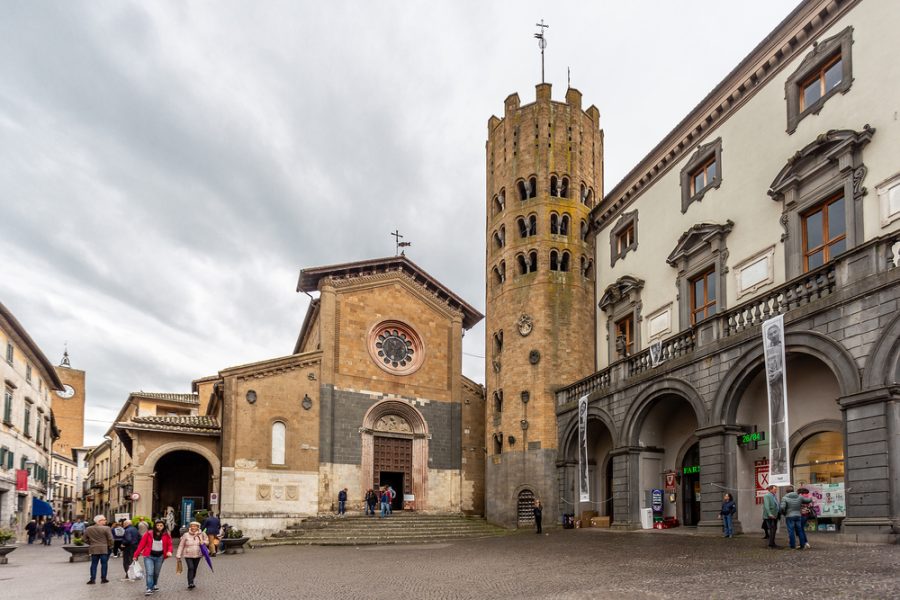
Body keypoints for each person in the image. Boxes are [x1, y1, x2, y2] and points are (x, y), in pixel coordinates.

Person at [134, 519, 173, 596]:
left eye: (161, 525)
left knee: (156, 573)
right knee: (150, 572)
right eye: (157, 525)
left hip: (160, 557)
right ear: (155, 526)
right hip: (149, 556)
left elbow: (170, 545)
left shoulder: (166, 535)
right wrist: (135, 555)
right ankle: (149, 588)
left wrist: (169, 551)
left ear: (163, 526)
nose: (159, 527)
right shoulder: (149, 534)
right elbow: (141, 545)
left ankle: (154, 584)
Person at [175, 521, 208, 590]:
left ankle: (191, 580)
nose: (193, 527)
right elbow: (181, 545)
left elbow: (207, 542)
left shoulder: (202, 534)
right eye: (192, 526)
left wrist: (203, 542)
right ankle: (190, 583)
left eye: (195, 526)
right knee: (191, 568)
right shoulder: (186, 535)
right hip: (188, 554)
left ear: (198, 527)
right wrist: (178, 554)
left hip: (198, 554)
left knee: (194, 569)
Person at [781, 485, 812, 550]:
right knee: (800, 530)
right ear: (793, 490)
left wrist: (784, 513)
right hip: (798, 516)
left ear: (787, 491)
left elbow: (782, 507)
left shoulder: (784, 498)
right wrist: (810, 497)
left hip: (789, 516)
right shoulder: (799, 497)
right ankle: (802, 545)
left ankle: (793, 546)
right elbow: (808, 500)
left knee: (791, 531)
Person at [85, 515, 114, 584]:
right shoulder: (106, 528)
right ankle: (103, 578)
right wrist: (110, 545)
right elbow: (111, 539)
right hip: (104, 548)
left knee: (94, 564)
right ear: (99, 521)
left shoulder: (89, 528)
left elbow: (84, 539)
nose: (105, 521)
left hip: (94, 548)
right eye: (104, 520)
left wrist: (91, 543)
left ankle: (92, 579)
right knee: (104, 564)